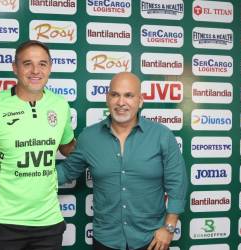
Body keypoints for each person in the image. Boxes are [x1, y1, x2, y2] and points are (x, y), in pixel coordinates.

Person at [0, 40, 76, 250]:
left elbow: (69, 147)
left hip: (48, 222)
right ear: (15, 68)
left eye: (42, 64)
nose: (35, 71)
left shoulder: (60, 106)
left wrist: (101, 146)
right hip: (3, 222)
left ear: (50, 67)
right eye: (27, 64)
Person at [57, 72, 187, 250]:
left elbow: (177, 183)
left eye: (129, 95)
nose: (121, 102)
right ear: (107, 99)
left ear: (140, 100)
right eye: (115, 95)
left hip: (151, 239)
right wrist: (25, 177)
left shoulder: (161, 135)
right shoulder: (89, 137)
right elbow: (66, 172)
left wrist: (169, 227)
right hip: (106, 240)